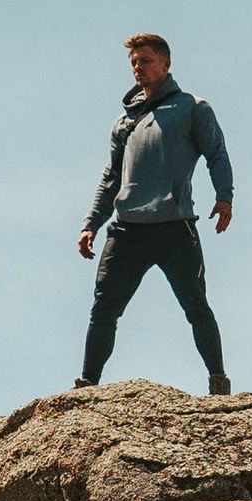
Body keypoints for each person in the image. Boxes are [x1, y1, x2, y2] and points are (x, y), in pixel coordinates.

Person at [75, 32, 233, 393]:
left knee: (196, 306)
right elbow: (111, 177)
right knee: (103, 310)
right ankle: (86, 385)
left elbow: (216, 154)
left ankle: (218, 380)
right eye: (133, 63)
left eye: (145, 61)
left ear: (166, 63)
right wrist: (91, 224)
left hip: (175, 226)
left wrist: (225, 196)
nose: (138, 68)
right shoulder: (124, 122)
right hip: (128, 230)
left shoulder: (192, 107)